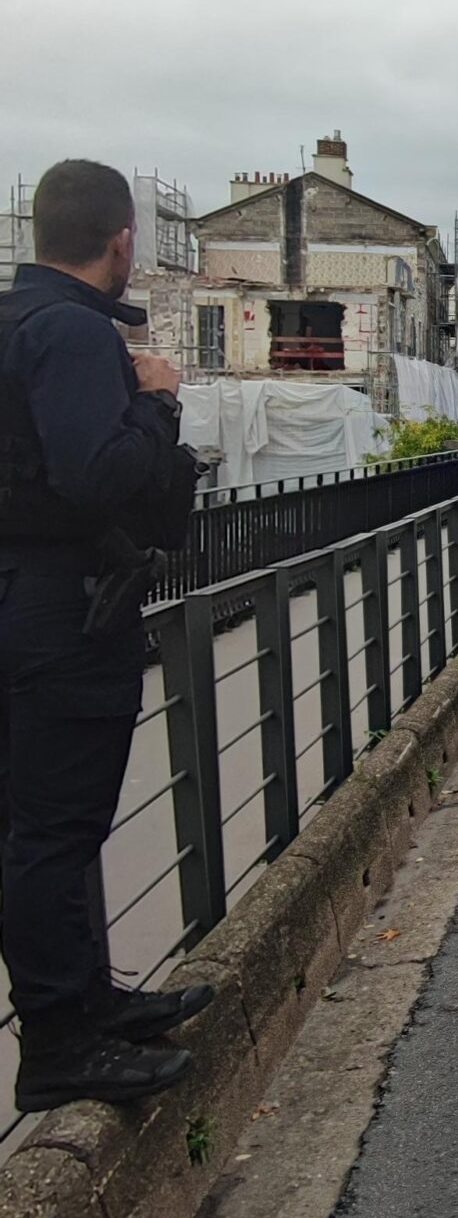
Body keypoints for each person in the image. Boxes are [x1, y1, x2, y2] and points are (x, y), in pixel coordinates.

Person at [0, 161, 209, 1111]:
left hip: (20, 596)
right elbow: (97, 477)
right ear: (124, 241)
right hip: (64, 609)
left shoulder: (14, 323)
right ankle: (59, 1042)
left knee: (41, 821)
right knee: (55, 829)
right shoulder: (76, 335)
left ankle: (85, 1003)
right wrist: (159, 403)